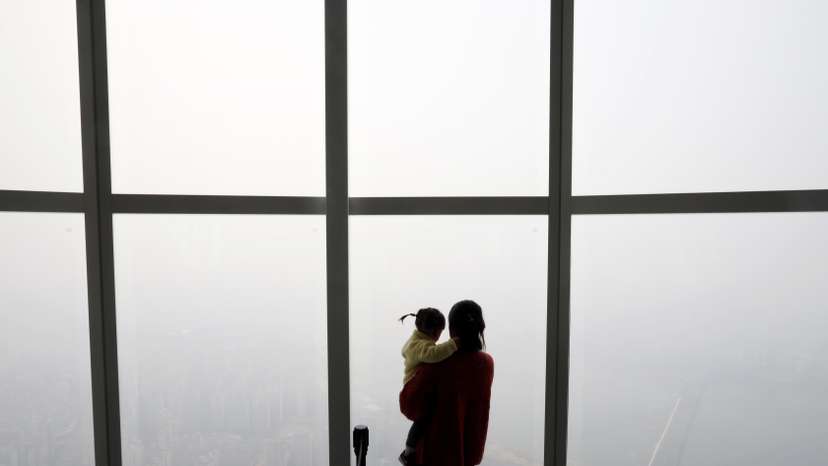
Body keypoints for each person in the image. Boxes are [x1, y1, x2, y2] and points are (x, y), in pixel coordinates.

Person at [399, 300, 494, 466]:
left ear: (451, 329)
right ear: (480, 328)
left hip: (433, 456)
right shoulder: (486, 364)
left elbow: (409, 407)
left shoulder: (438, 364)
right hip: (468, 455)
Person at [398, 307, 460, 465]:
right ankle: (409, 451)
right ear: (433, 331)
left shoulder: (416, 342)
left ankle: (410, 450)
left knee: (423, 420)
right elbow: (434, 354)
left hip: (413, 390)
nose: (439, 337)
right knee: (422, 420)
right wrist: (453, 344)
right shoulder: (419, 346)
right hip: (413, 392)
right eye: (440, 332)